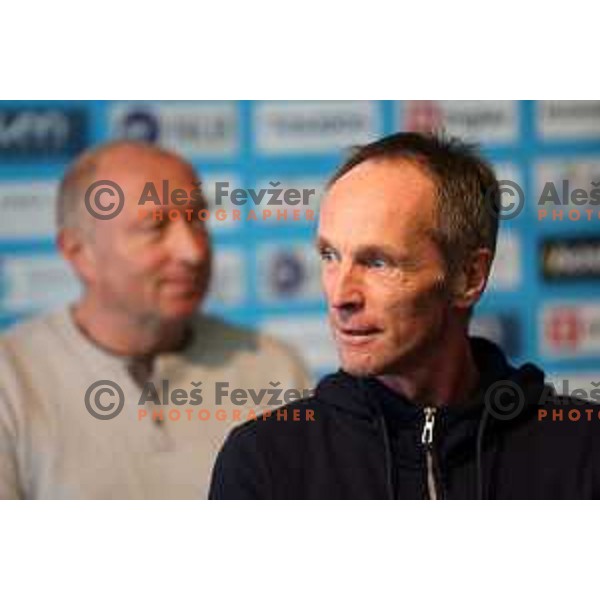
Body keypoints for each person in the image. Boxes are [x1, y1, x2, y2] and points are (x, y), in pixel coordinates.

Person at [209, 131, 600, 500]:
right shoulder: (264, 462)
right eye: (330, 256)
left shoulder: (583, 448)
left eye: (377, 262)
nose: (341, 296)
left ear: (469, 276)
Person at [0, 141, 311, 499]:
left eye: (197, 220)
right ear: (79, 253)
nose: (193, 251)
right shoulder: (11, 380)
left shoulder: (273, 366)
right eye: (156, 226)